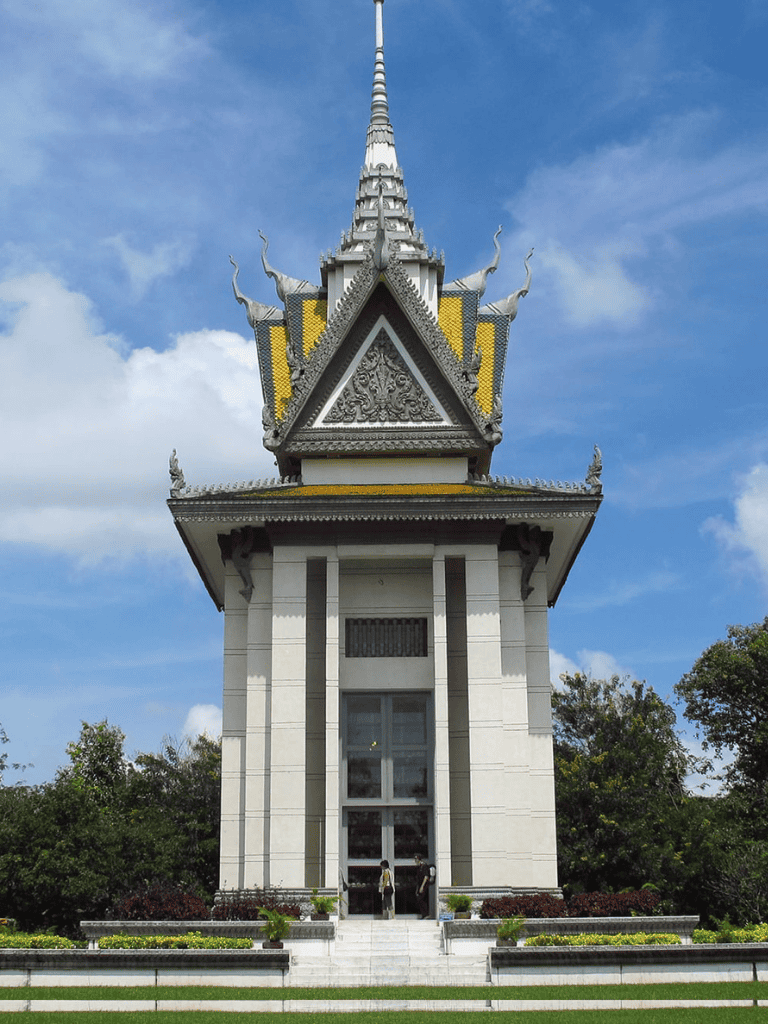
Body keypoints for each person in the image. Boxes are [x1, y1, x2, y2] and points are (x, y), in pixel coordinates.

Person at [414, 854, 434, 919]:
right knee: (420, 900)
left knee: (422, 900)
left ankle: (426, 914)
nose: (415, 860)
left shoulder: (424, 866)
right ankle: (423, 914)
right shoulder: (419, 866)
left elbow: (426, 877)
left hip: (423, 886)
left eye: (416, 859)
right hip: (420, 885)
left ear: (419, 859)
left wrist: (422, 886)